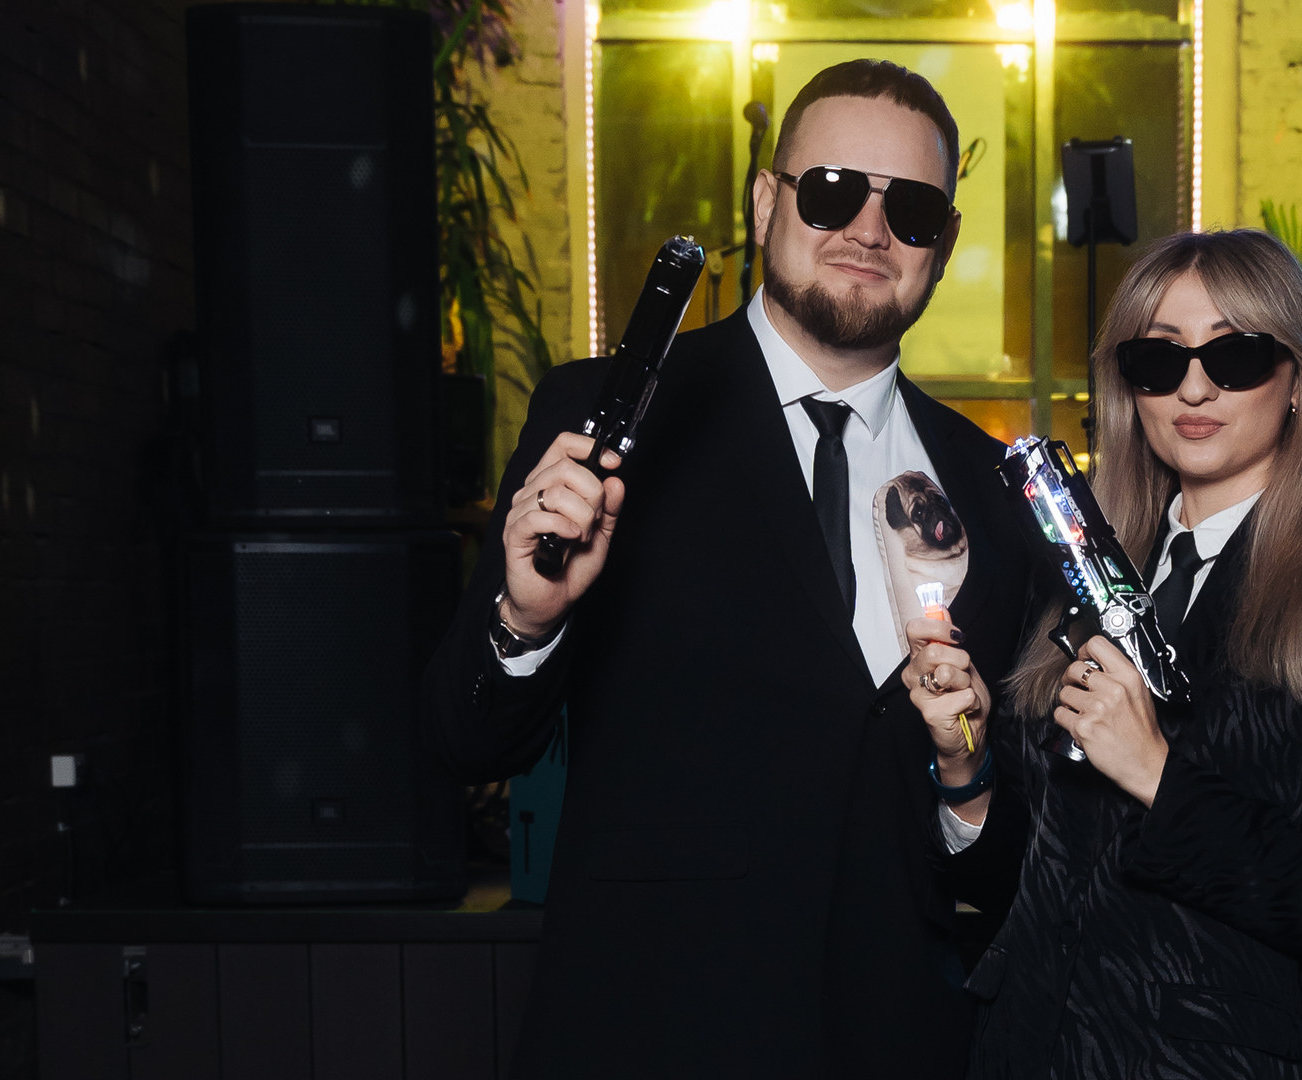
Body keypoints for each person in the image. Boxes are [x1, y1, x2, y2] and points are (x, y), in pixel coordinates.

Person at [419, 60, 1034, 1079]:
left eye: (912, 209)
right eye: (832, 191)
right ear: (764, 203)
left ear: (944, 242)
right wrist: (526, 619)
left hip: (899, 1041)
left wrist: (967, 780)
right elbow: (465, 740)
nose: (869, 230)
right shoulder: (609, 420)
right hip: (650, 1032)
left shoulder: (989, 488)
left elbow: (1010, 856)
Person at [907, 228, 1302, 1079]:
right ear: (1130, 389)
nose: (1194, 387)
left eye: (1236, 355)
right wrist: (963, 766)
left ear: (1299, 380)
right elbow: (1024, 881)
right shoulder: (1076, 583)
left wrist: (1158, 774)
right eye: (1159, 361)